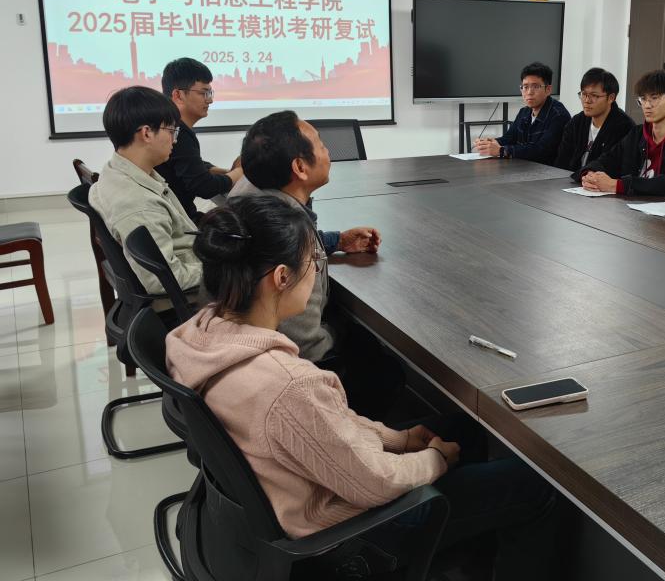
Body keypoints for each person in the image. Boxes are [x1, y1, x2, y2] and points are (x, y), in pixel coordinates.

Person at [166, 196, 564, 580]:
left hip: (284, 497)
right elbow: (374, 483)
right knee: (536, 485)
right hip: (347, 534)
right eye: (313, 261)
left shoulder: (196, 336)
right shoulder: (288, 385)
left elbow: (328, 425)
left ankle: (465, 547)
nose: (316, 271)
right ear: (282, 278)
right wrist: (434, 460)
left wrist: (399, 439)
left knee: (466, 430)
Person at [230, 111, 397, 419]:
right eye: (321, 144)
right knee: (381, 361)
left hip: (249, 357)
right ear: (300, 167)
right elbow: (307, 345)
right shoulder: (287, 236)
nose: (328, 151)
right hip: (298, 379)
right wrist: (342, 332)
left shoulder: (256, 196)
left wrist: (335, 241)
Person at [88, 86, 201, 294]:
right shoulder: (139, 204)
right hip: (191, 296)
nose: (175, 140)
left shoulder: (116, 171)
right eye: (171, 131)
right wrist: (222, 271)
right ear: (147, 133)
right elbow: (163, 281)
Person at [578, 70, 665, 196]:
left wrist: (618, 185)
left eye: (654, 98)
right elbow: (608, 160)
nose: (647, 105)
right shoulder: (637, 134)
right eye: (643, 99)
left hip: (664, 208)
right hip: (628, 206)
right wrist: (589, 175)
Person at [156, 57, 244, 222]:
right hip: (180, 224)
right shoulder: (177, 131)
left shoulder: (170, 126)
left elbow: (187, 164)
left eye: (210, 93)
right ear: (178, 95)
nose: (210, 100)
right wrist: (239, 173)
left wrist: (223, 171)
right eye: (204, 93)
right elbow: (204, 187)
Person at [474, 62, 570, 165]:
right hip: (524, 167)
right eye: (525, 87)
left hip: (549, 172)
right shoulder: (524, 112)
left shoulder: (559, 115)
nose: (529, 92)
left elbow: (541, 150)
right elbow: (509, 138)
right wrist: (489, 143)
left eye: (535, 87)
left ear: (548, 89)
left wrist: (501, 150)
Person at [554, 67, 634, 173]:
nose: (587, 100)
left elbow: (612, 168)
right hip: (569, 179)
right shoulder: (576, 122)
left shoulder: (624, 127)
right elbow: (561, 162)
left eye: (594, 96)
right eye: (584, 94)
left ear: (611, 98)